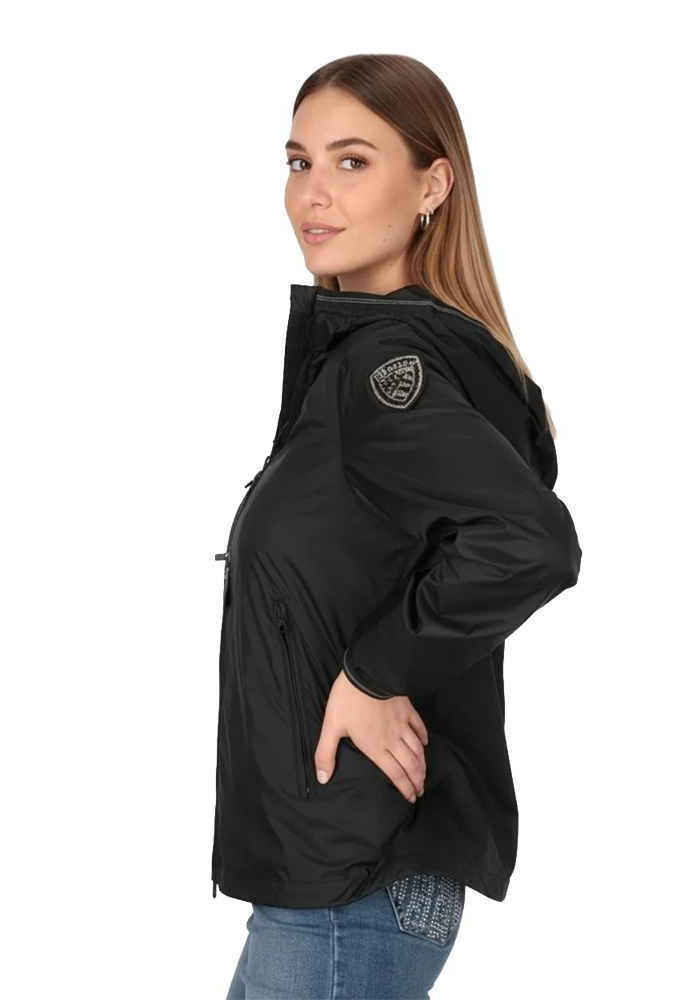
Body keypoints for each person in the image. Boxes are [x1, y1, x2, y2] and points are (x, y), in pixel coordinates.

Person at [213, 53, 583, 999]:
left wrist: (377, 669)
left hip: (352, 882)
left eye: (352, 161)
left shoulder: (386, 369)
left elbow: (527, 541)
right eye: (298, 162)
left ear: (432, 185)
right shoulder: (390, 359)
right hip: (329, 877)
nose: (313, 193)